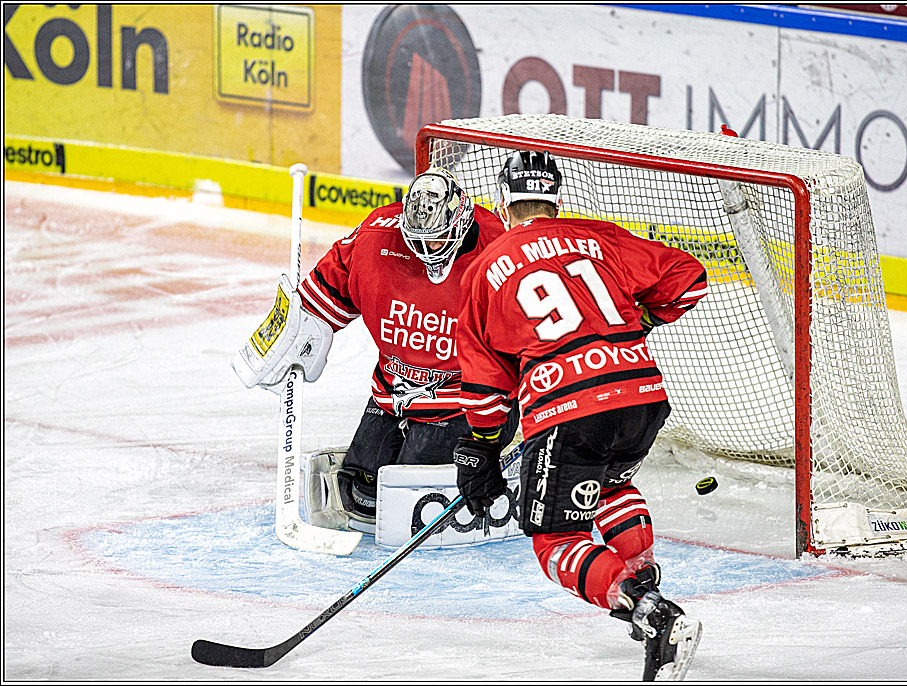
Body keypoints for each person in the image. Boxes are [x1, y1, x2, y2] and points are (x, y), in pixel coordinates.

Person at [452, 150, 709, 680]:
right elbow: (688, 278)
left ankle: (651, 612)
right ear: (555, 198)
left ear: (502, 202)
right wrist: (636, 322)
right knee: (611, 485)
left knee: (554, 541)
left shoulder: (485, 269)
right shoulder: (598, 237)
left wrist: (481, 446)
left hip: (569, 410)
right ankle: (642, 580)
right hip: (641, 396)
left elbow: (485, 380)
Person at [259, 167, 518, 532]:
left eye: (438, 239)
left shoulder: (499, 251)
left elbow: (528, 343)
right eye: (418, 240)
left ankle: (506, 441)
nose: (427, 250)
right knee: (362, 496)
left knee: (405, 501)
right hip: (392, 394)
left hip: (464, 402)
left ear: (460, 222)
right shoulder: (376, 237)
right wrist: (290, 335)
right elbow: (319, 298)